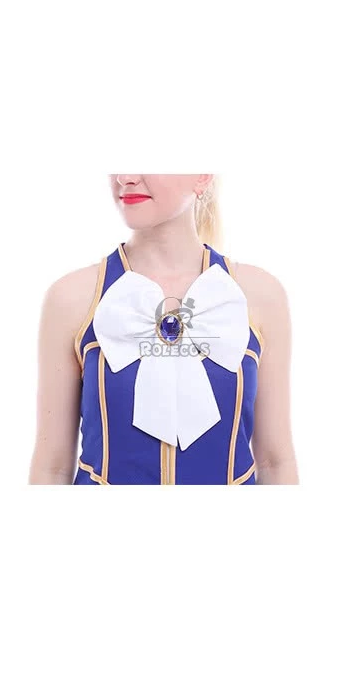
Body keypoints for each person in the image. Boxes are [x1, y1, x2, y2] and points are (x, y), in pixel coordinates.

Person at [28, 174, 299, 485]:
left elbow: (276, 463)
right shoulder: (71, 299)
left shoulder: (259, 295)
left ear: (202, 176)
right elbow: (52, 468)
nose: (126, 177)